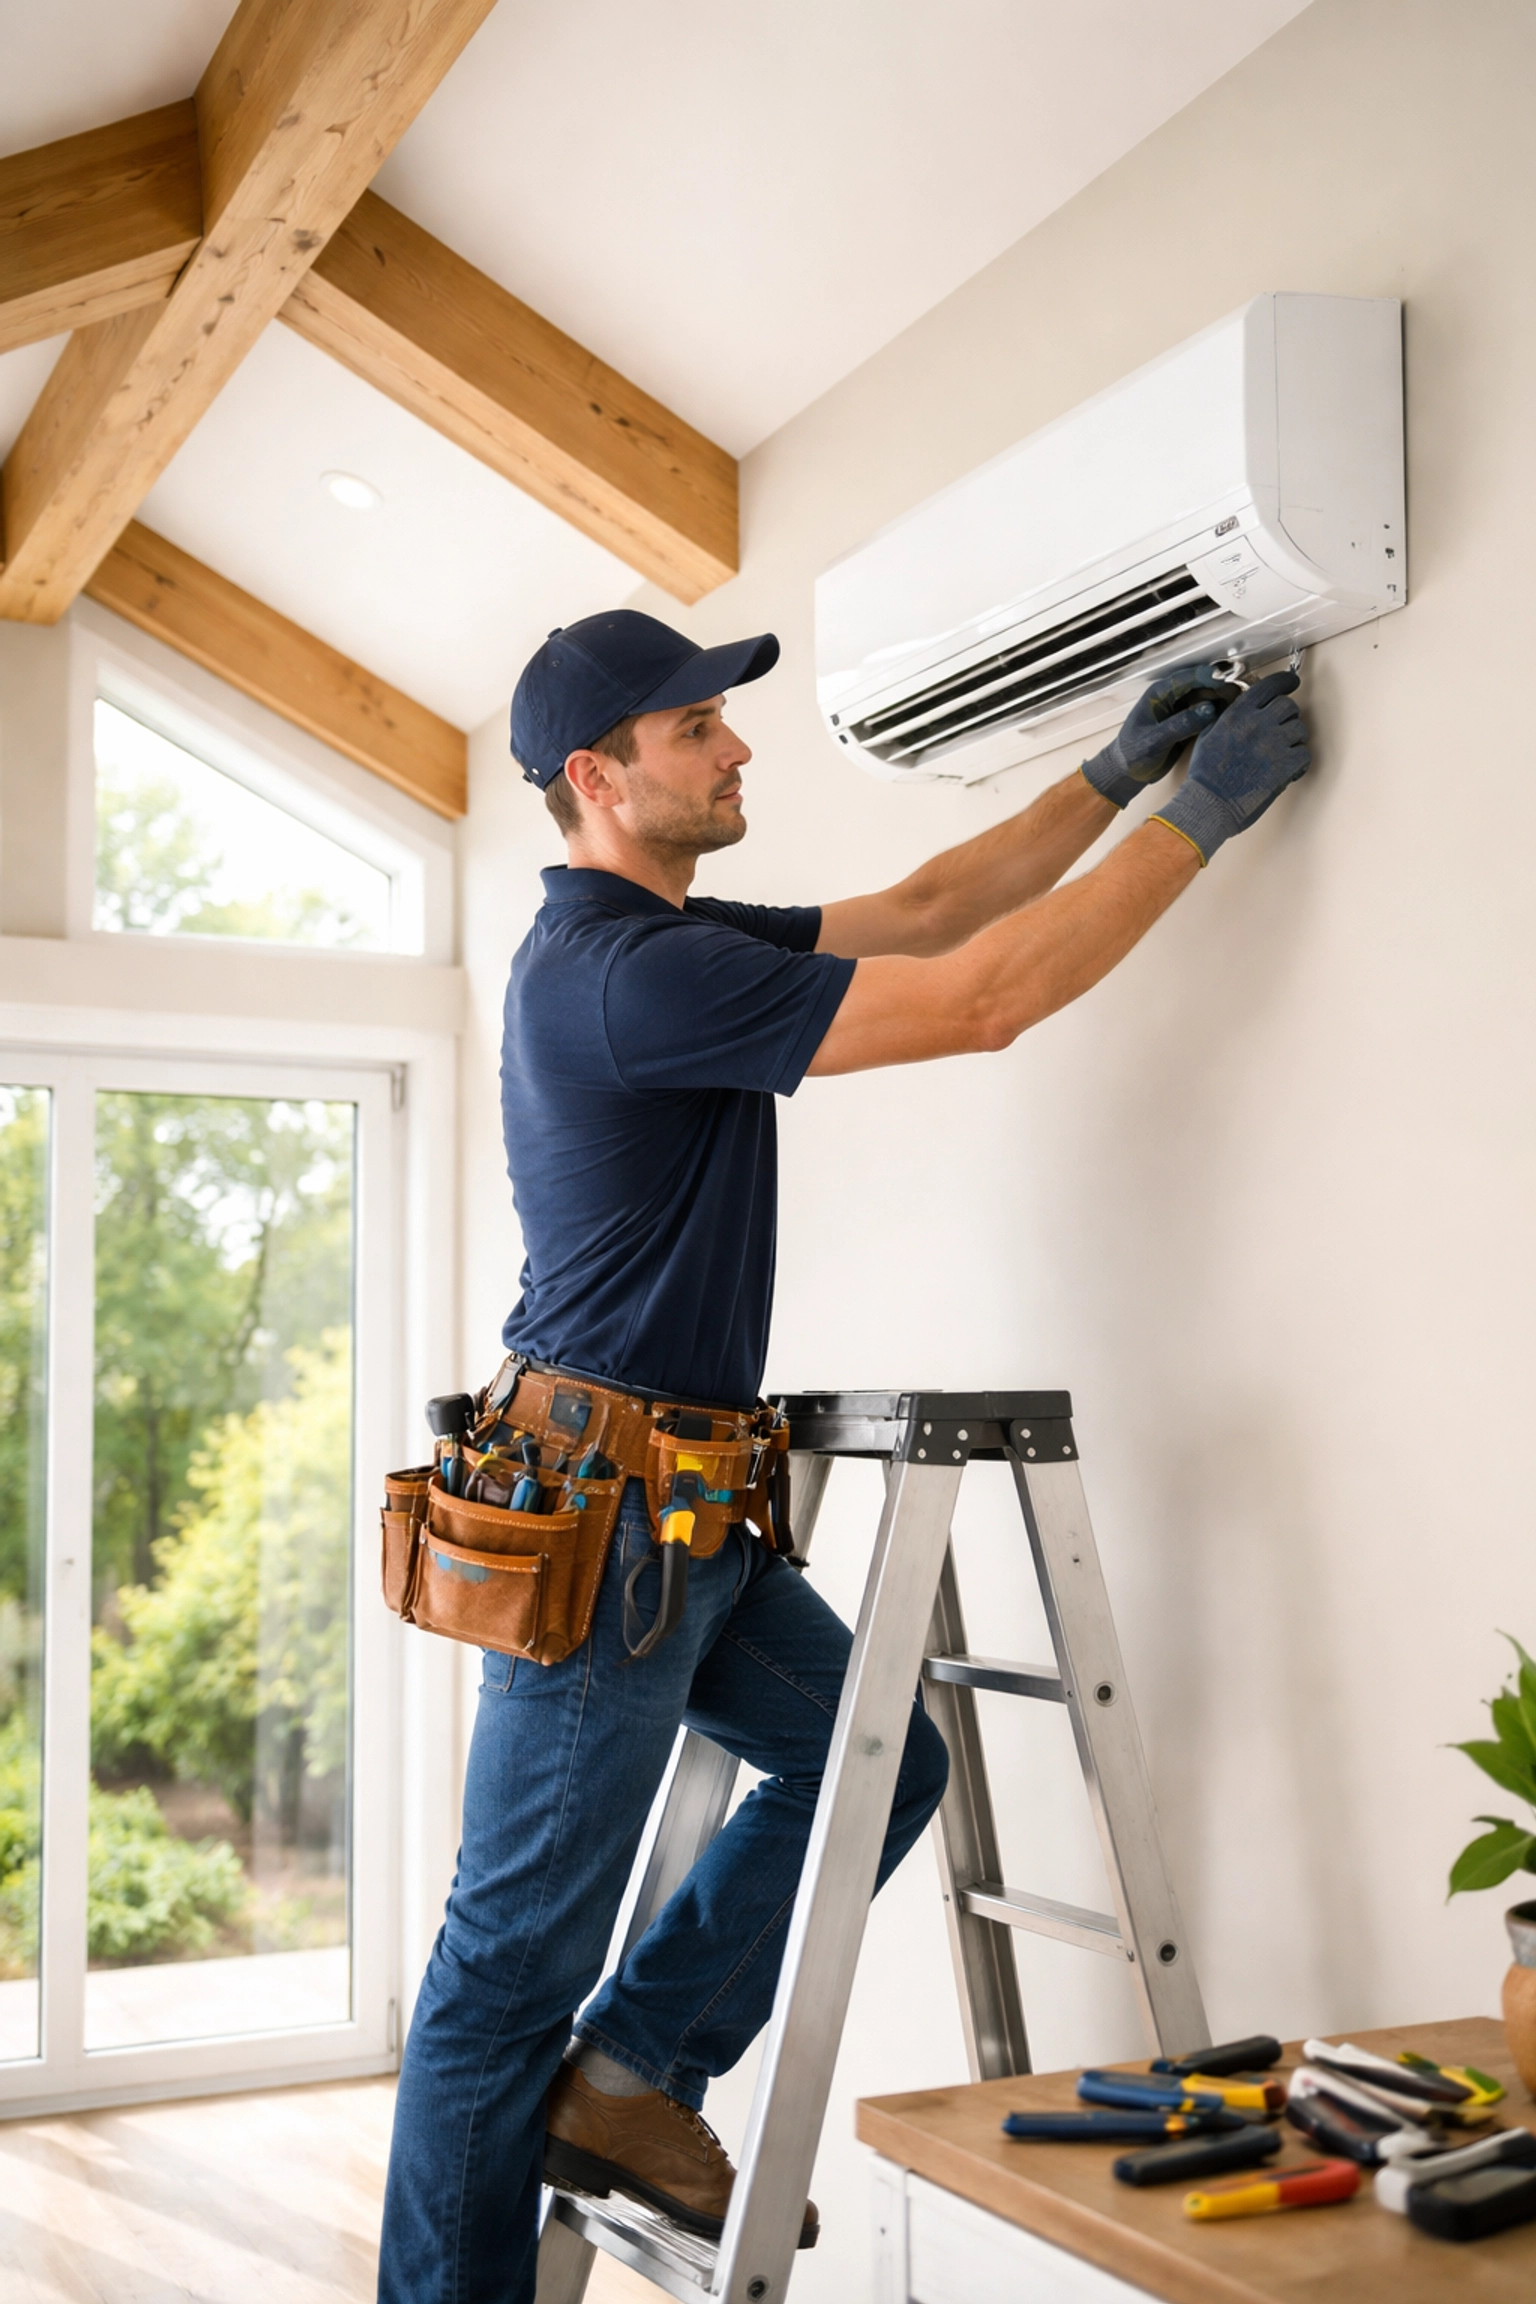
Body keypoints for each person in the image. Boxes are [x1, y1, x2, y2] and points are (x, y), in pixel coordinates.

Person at [378, 611, 1310, 2303]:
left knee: (881, 1764)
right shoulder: (629, 976)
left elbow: (939, 909)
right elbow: (982, 999)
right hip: (609, 1521)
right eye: (694, 730)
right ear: (596, 776)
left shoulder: (664, 939)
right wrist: (1204, 819)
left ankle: (636, 2068)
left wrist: (1116, 770)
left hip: (690, 1511)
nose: (738, 748)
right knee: (504, 1972)